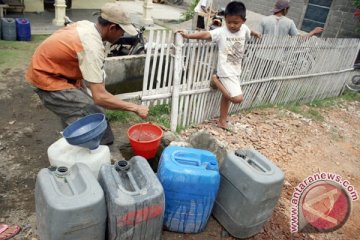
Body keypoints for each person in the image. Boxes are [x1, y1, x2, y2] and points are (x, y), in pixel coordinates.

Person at [25, 2, 149, 146]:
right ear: (112, 27)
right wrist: (136, 108)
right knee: (91, 112)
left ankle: (76, 141)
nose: (123, 35)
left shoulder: (87, 26)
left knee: (85, 107)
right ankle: (100, 147)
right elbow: (100, 97)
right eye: (122, 31)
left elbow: (95, 77)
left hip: (59, 71)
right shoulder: (91, 47)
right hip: (47, 76)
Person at [178, 1, 260, 130]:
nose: (232, 25)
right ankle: (216, 80)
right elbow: (206, 34)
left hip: (236, 70)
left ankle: (222, 121)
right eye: (229, 22)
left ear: (243, 21)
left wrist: (254, 33)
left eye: (236, 22)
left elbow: (248, 31)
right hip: (225, 71)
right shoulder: (221, 32)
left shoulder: (244, 29)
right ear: (225, 19)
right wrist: (188, 35)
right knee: (237, 99)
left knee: (226, 97)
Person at [258, 0, 323, 37]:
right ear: (285, 9)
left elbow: (257, 37)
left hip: (260, 56)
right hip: (277, 58)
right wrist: (313, 32)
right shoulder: (289, 22)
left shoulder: (264, 20)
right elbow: (299, 40)